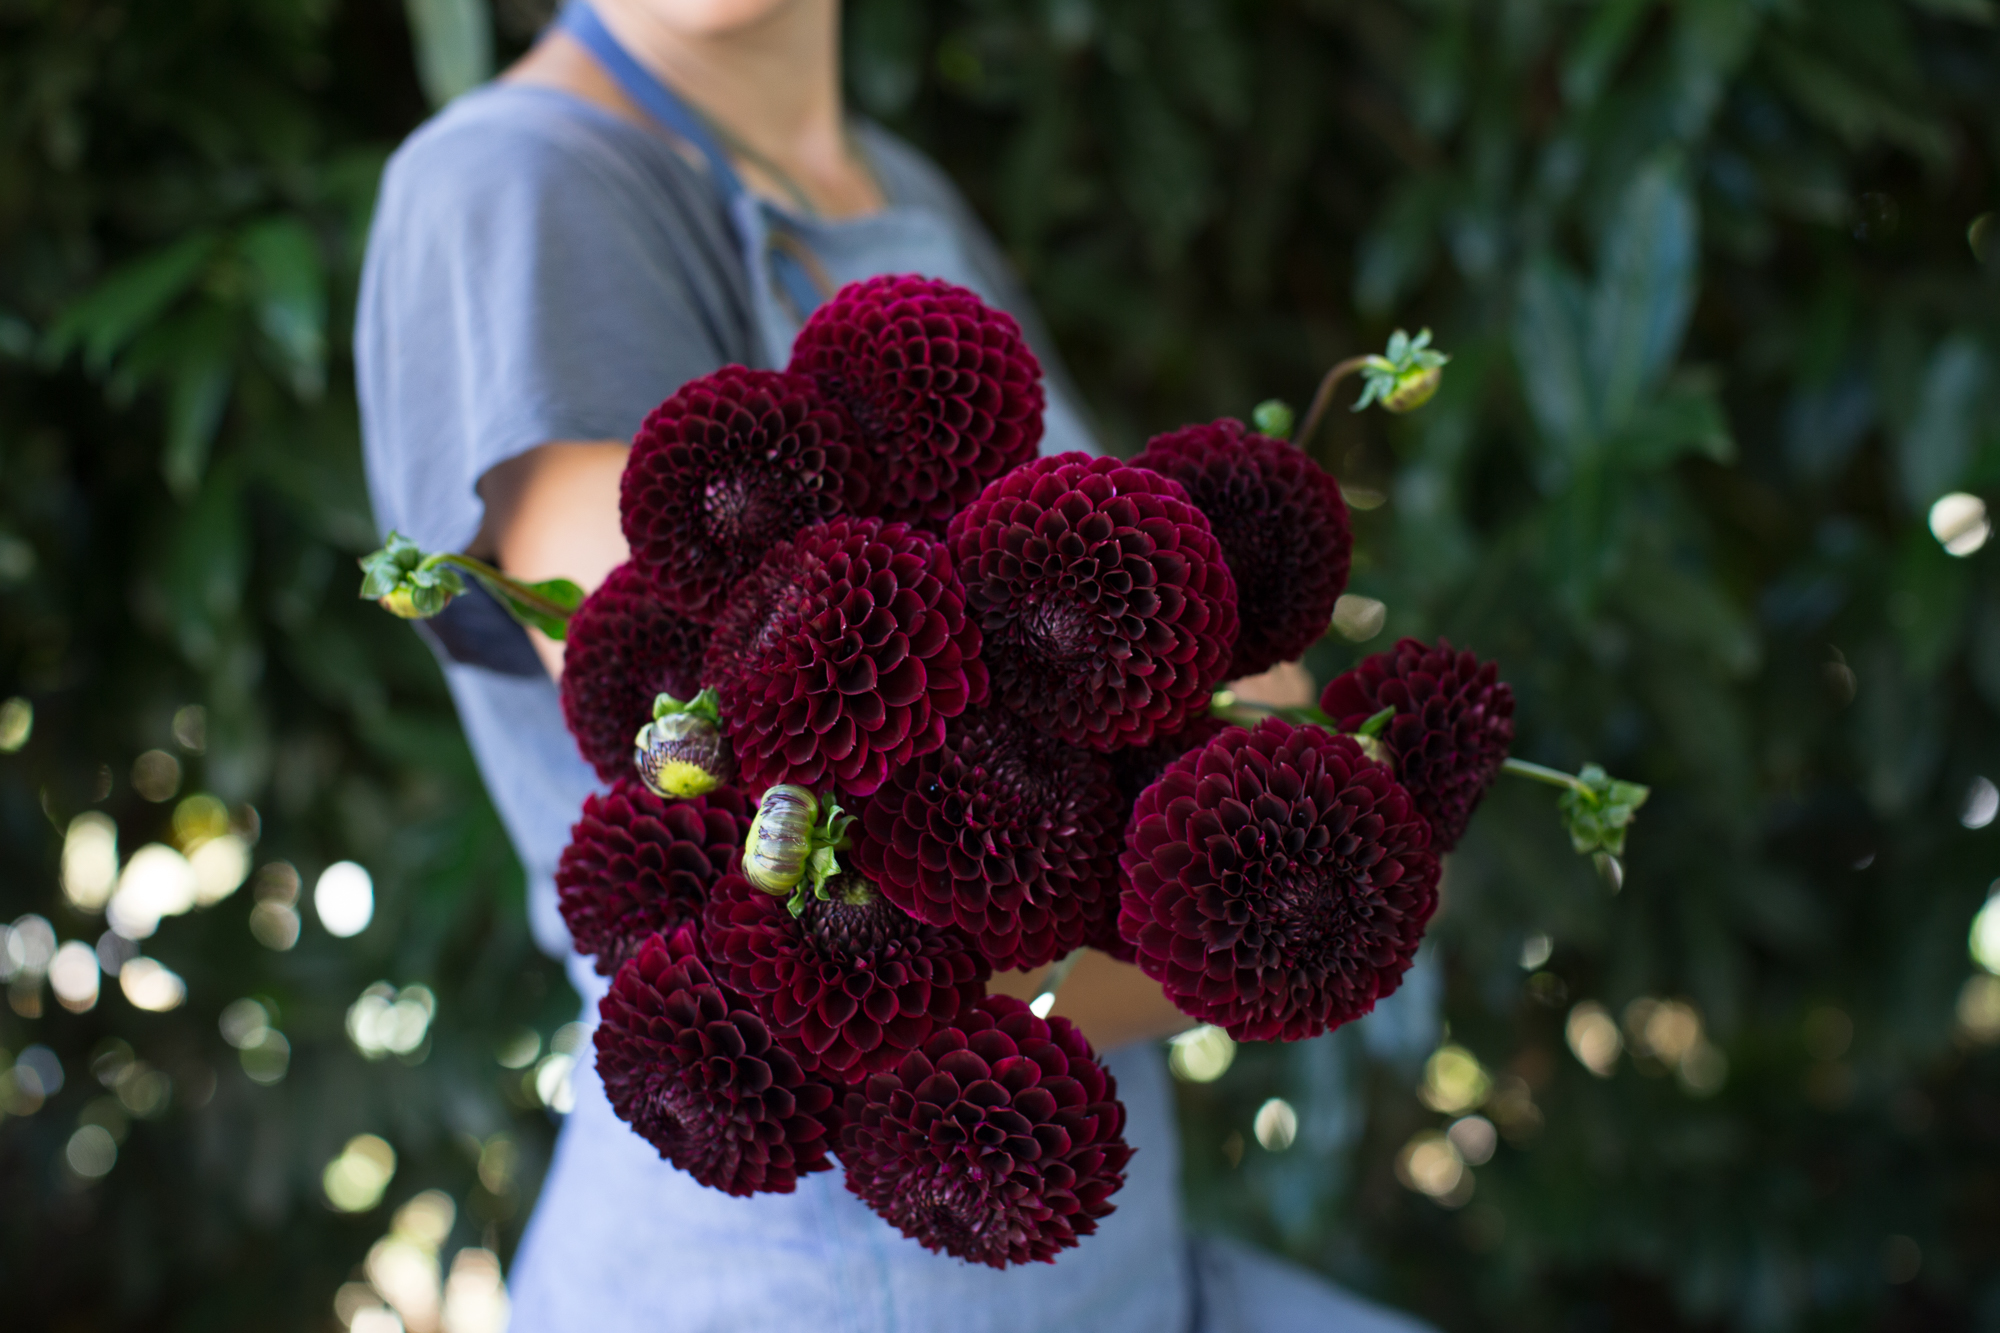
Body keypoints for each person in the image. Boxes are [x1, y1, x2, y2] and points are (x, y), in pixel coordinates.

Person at [356, 2, 1429, 1329]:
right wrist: (1284, 893)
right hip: (820, 1276)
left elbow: (1190, 642)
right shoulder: (521, 188)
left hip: (1097, 1258)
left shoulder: (894, 186)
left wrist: (1271, 836)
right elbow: (784, 875)